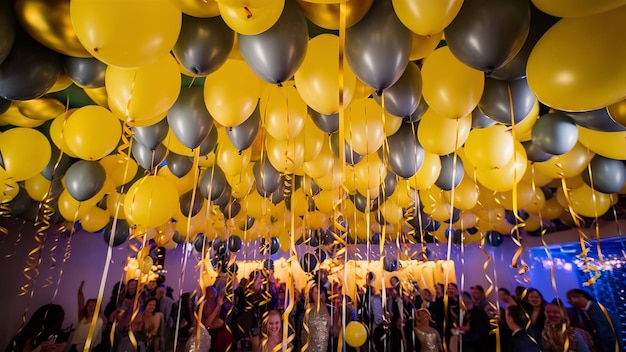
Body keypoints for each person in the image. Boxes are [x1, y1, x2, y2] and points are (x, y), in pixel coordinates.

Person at [67, 281, 105, 352]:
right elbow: (80, 303)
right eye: (89, 306)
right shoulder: (82, 318)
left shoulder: (100, 321)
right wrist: (80, 291)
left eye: (94, 306)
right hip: (75, 348)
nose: (92, 308)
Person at [301, 283, 330, 352]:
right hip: (311, 345)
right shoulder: (309, 310)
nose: (319, 295)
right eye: (316, 293)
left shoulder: (327, 308)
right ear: (312, 295)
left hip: (324, 344)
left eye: (320, 293)